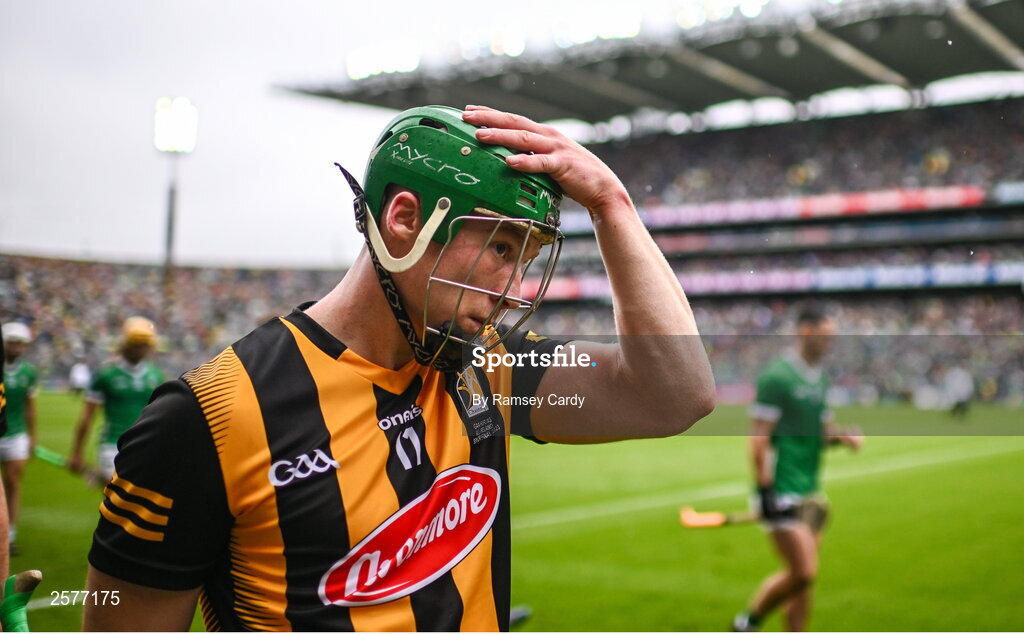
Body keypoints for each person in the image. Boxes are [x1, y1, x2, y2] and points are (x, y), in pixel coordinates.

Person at [83, 105, 716, 631]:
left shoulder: (489, 366)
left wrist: (613, 205)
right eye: (500, 247)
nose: (515, 287)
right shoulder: (209, 416)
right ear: (405, 219)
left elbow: (674, 396)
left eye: (525, 259)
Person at [732, 305, 863, 632]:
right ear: (806, 331)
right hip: (781, 489)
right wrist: (764, 490)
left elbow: (820, 435)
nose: (829, 343)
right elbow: (758, 437)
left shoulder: (819, 379)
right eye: (825, 336)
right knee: (804, 571)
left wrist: (842, 438)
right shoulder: (778, 377)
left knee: (801, 582)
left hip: (809, 492)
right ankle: (746, 622)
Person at [69, 317, 164, 483]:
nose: (141, 349)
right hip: (113, 443)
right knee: (115, 501)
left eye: (144, 344)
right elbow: (87, 416)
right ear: (126, 343)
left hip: (147, 444)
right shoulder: (107, 375)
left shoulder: (156, 375)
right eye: (136, 344)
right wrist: (77, 452)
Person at [0, 323, 38, 557]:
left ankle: (10, 534)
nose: (16, 346)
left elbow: (30, 408)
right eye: (12, 341)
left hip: (16, 434)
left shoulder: (28, 372)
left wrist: (32, 436)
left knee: (13, 481)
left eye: (20, 342)